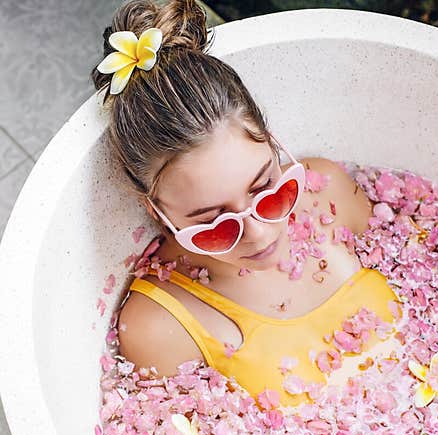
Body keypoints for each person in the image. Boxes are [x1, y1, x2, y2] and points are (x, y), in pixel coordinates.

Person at [91, 0, 405, 408]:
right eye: (215, 224)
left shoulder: (325, 192)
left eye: (270, 191)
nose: (259, 233)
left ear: (274, 146)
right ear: (158, 213)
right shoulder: (160, 324)